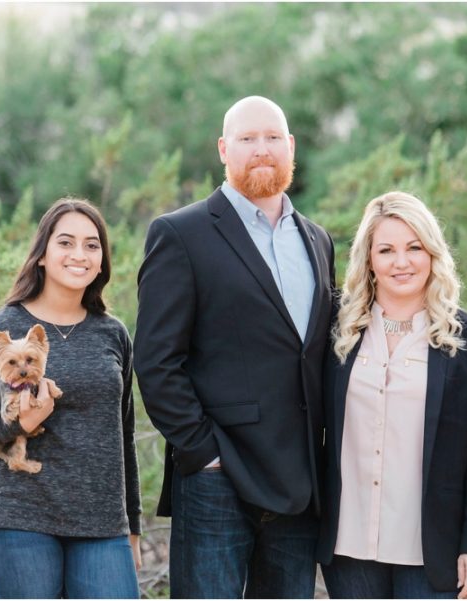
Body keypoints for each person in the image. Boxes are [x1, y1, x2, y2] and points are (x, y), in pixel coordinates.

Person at [134, 95, 335, 598]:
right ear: (224, 150)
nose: (261, 149)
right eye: (247, 139)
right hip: (217, 477)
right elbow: (156, 360)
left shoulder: (318, 240)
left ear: (291, 148)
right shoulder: (181, 234)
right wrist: (202, 451)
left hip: (298, 480)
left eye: (272, 138)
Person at [0, 198, 142, 599]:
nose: (79, 255)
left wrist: (131, 525)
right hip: (19, 520)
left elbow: (124, 434)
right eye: (66, 243)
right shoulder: (0, 329)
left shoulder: (112, 333)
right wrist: (12, 424)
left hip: (101, 525)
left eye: (92, 245)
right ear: (42, 255)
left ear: (102, 261)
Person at [317, 191, 467, 599]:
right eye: (386, 250)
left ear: (433, 252)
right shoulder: (335, 331)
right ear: (369, 260)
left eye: (414, 247)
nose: (401, 262)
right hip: (349, 542)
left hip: (433, 546)